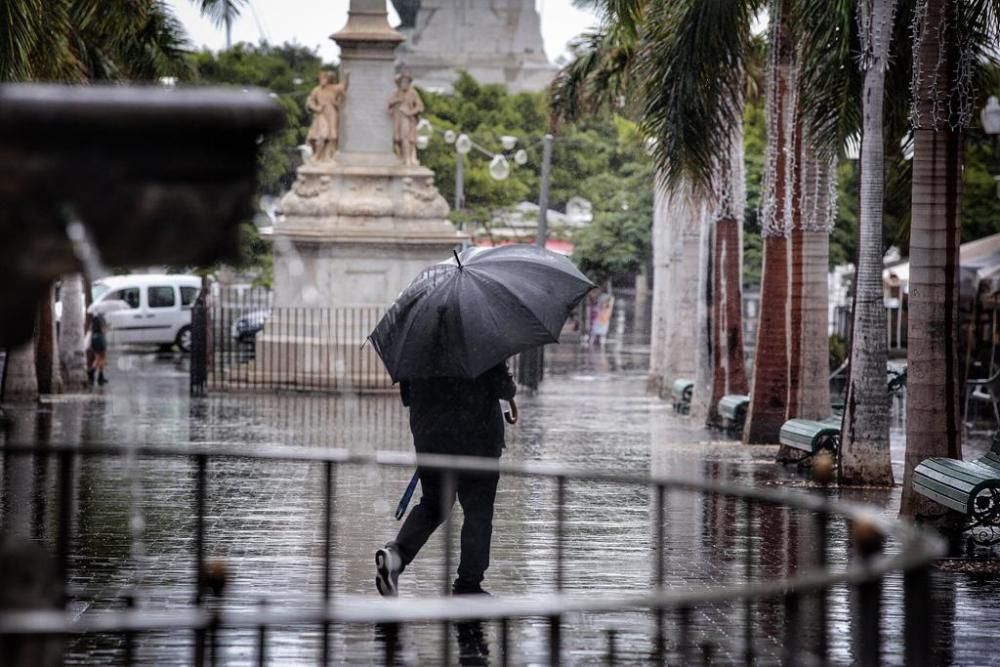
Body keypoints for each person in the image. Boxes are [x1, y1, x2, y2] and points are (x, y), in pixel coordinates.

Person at [375, 362, 516, 597]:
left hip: (432, 437)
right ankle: (468, 584)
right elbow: (504, 388)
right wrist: (506, 379)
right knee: (478, 513)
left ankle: (395, 557)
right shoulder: (482, 339)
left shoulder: (419, 343)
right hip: (478, 439)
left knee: (433, 505)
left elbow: (407, 396)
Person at [306, 69, 347, 161]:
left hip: (332, 113)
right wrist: (316, 108)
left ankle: (329, 155)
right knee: (322, 135)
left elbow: (344, 86)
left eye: (325, 79)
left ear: (329, 80)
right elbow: (310, 101)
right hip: (321, 114)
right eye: (321, 79)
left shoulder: (333, 88)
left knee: (332, 135)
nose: (323, 81)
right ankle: (317, 155)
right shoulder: (316, 90)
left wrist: (347, 75)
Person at [387, 73, 424, 166]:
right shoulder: (397, 93)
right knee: (397, 139)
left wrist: (410, 112)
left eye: (406, 82)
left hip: (407, 119)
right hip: (398, 118)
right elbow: (389, 103)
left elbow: (420, 106)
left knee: (406, 138)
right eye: (402, 82)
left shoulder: (413, 93)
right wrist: (398, 100)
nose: (404, 84)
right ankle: (401, 157)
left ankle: (408, 158)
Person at [87, 313, 108, 386]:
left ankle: (100, 375)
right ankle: (92, 371)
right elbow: (103, 330)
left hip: (94, 339)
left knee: (97, 358)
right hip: (100, 339)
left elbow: (91, 330)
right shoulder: (102, 319)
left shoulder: (94, 320)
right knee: (102, 358)